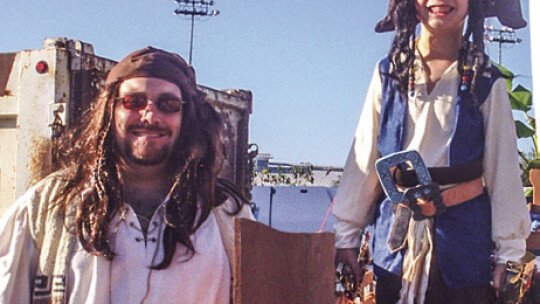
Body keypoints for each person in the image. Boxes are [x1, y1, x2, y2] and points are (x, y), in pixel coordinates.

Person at [0, 47, 253, 303]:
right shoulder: (47, 207)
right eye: (134, 101)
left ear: (185, 117)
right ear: (111, 110)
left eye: (168, 104)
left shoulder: (225, 212)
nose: (150, 115)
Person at [332, 0, 530, 303]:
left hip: (462, 252)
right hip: (395, 252)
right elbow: (364, 158)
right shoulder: (388, 74)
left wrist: (510, 254)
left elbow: (503, 173)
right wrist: (347, 235)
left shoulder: (486, 81)